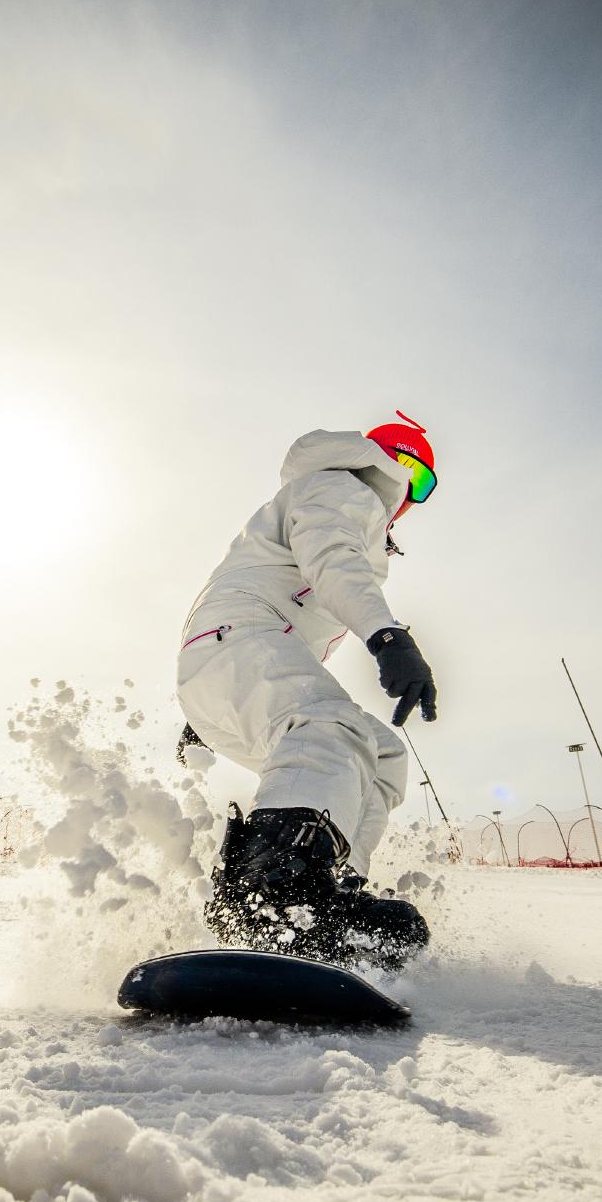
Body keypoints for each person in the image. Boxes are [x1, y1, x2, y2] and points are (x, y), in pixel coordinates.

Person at [176, 414, 438, 969]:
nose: (409, 496)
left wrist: (208, 712)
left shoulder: (334, 500)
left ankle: (328, 891)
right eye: (413, 477)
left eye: (424, 488)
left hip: (234, 660)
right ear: (386, 460)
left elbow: (299, 637)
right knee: (329, 728)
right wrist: (388, 637)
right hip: (241, 637)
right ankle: (272, 895)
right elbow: (333, 562)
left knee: (381, 753)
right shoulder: (342, 486)